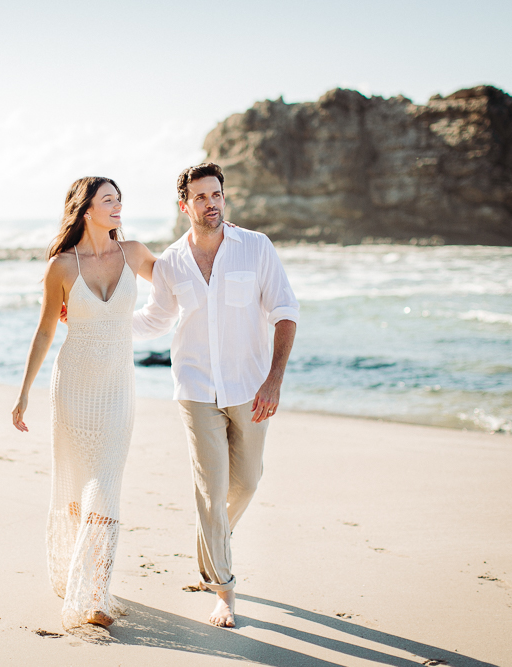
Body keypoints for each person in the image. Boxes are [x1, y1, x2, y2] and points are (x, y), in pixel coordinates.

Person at [132, 162, 299, 628]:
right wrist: (102, 321)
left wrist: (274, 379)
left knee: (246, 481)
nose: (212, 203)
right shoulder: (170, 262)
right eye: (201, 197)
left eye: (217, 194)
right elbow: (155, 319)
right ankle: (223, 590)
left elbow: (285, 310)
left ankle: (211, 540)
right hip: (196, 388)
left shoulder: (256, 248)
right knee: (211, 489)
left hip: (250, 387)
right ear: (185, 205)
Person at [12, 176, 155, 629]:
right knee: (78, 485)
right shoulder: (62, 266)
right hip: (73, 387)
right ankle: (91, 589)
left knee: (106, 483)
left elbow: (181, 281)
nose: (117, 207)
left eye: (119, 200)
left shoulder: (133, 253)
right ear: (86, 209)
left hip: (118, 391)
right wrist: (24, 392)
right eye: (108, 200)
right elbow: (45, 331)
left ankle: (91, 593)